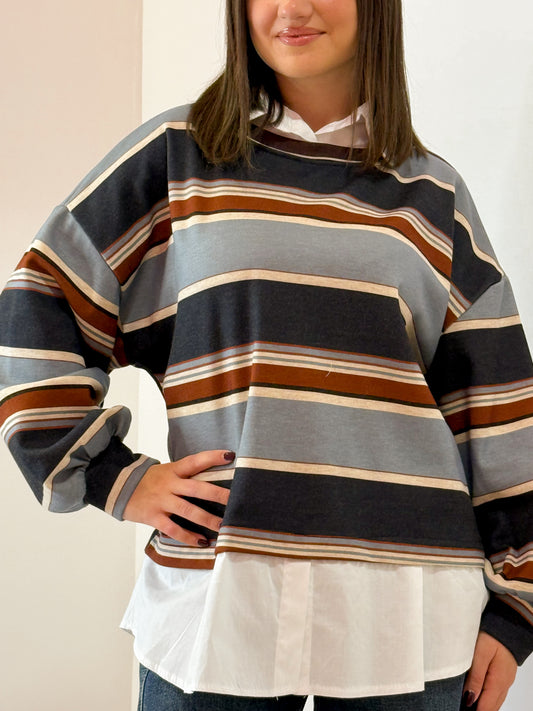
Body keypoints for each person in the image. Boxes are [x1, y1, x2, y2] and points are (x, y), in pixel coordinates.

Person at [1, 1, 532, 709]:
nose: (292, 7)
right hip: (221, 598)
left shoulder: (432, 193)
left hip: (408, 614)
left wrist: (515, 607)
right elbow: (41, 296)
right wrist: (111, 475)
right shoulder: (176, 157)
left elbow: (498, 402)